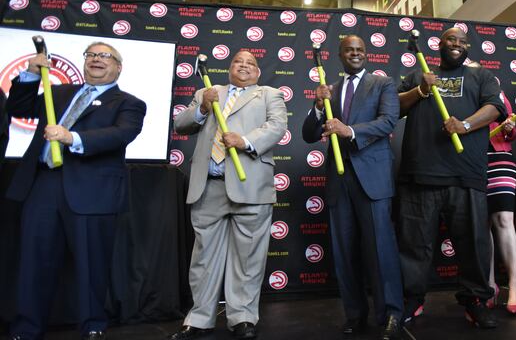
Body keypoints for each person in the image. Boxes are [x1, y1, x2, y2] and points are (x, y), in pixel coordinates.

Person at [6, 42, 147, 340]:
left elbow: (121, 134)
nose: (97, 59)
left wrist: (73, 137)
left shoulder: (129, 103)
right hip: (43, 184)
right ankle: (26, 329)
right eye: (91, 55)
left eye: (105, 56)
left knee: (91, 265)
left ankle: (93, 327)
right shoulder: (58, 92)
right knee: (34, 261)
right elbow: (17, 108)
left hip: (91, 192)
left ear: (118, 67)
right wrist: (30, 75)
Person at [170, 51, 287, 340]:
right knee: (203, 257)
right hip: (208, 186)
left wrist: (244, 141)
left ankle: (243, 318)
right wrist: (202, 109)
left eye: (251, 63)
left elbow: (276, 127)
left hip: (251, 187)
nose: (244, 66)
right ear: (229, 67)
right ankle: (199, 319)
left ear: (258, 73)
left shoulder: (269, 94)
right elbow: (182, 125)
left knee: (248, 257)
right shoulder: (208, 92)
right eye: (238, 61)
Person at [396, 27, 505, 329]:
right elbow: (394, 107)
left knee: (473, 243)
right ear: (439, 45)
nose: (456, 44)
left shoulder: (480, 76)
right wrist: (420, 91)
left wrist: (466, 125)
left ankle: (475, 301)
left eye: (461, 41)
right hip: (421, 173)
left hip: (466, 173)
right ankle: (412, 299)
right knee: (414, 245)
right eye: (450, 40)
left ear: (467, 47)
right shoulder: (420, 75)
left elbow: (495, 108)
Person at [302, 35, 403, 339]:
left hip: (373, 179)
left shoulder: (382, 84)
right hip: (339, 181)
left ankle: (391, 315)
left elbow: (388, 121)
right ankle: (355, 315)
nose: (356, 53)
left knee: (381, 250)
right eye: (350, 50)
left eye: (360, 49)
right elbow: (308, 134)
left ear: (366, 53)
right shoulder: (328, 89)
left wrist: (349, 130)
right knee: (345, 253)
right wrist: (319, 107)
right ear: (340, 54)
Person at [484, 91, 516, 314]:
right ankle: (489, 285)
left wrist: (509, 129)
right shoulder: (459, 93)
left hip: (499, 158)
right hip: (469, 160)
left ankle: (514, 284)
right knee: (481, 223)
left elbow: (511, 129)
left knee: (504, 219)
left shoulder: (496, 93)